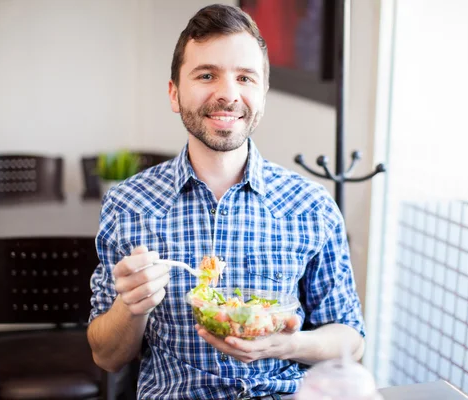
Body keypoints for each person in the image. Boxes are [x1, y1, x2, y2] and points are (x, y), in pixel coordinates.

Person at [87, 4, 365, 399]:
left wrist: (287, 345)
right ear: (174, 92)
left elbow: (351, 340)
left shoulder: (311, 205)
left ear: (263, 93)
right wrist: (131, 307)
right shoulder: (128, 203)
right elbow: (106, 355)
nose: (228, 94)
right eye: (206, 75)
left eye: (245, 78)